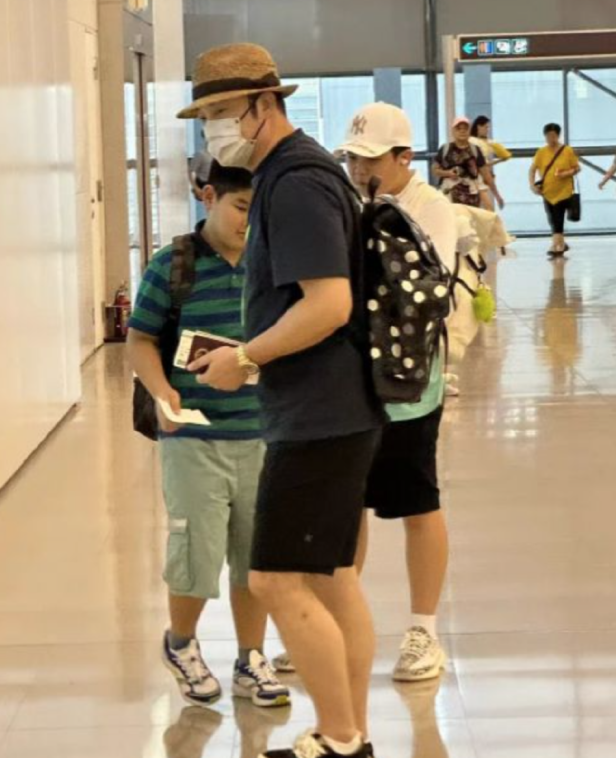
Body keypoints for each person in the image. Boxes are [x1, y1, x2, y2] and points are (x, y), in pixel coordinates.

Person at [179, 43, 384, 758]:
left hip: (320, 416)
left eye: (223, 111)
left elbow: (329, 304)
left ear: (265, 104)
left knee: (274, 578)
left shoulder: (295, 182)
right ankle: (349, 733)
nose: (215, 128)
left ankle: (341, 737)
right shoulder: (293, 175)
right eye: (206, 116)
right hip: (332, 408)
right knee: (332, 579)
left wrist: (246, 356)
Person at [274, 102, 457, 684]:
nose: (358, 170)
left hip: (408, 384)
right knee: (344, 505)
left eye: (371, 160)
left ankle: (424, 630)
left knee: (416, 501)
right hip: (350, 385)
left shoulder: (431, 209)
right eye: (352, 159)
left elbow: (423, 292)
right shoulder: (345, 203)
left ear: (405, 157)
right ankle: (332, 624)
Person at [127, 161, 290, 710]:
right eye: (241, 207)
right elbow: (140, 341)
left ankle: (251, 657)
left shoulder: (273, 264)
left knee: (255, 556)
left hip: (262, 434)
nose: (249, 221)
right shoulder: (173, 266)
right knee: (196, 551)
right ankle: (181, 643)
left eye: (259, 211)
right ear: (209, 197)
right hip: (193, 436)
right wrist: (161, 394)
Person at [530, 123, 581, 258]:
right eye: (548, 136)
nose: (550, 139)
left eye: (553, 136)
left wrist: (566, 173)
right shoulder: (541, 152)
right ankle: (561, 243)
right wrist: (532, 185)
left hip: (564, 191)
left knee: (558, 218)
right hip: (547, 192)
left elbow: (577, 168)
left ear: (558, 136)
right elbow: (532, 170)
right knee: (552, 219)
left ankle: (556, 246)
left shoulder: (567, 151)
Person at [434, 116, 504, 210]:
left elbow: (486, 175)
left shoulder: (475, 150)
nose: (462, 131)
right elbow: (435, 170)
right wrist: (448, 173)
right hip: (449, 194)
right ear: (453, 131)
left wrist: (497, 195)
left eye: (465, 128)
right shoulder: (445, 149)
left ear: (469, 131)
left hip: (471, 196)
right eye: (459, 128)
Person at [470, 115, 512, 212]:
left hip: (482, 178)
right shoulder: (473, 141)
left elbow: (506, 155)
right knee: (486, 209)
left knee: (485, 209)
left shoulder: (487, 143)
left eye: (488, 127)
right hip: (476, 179)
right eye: (485, 127)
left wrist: (490, 163)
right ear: (478, 127)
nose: (487, 130)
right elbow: (506, 155)